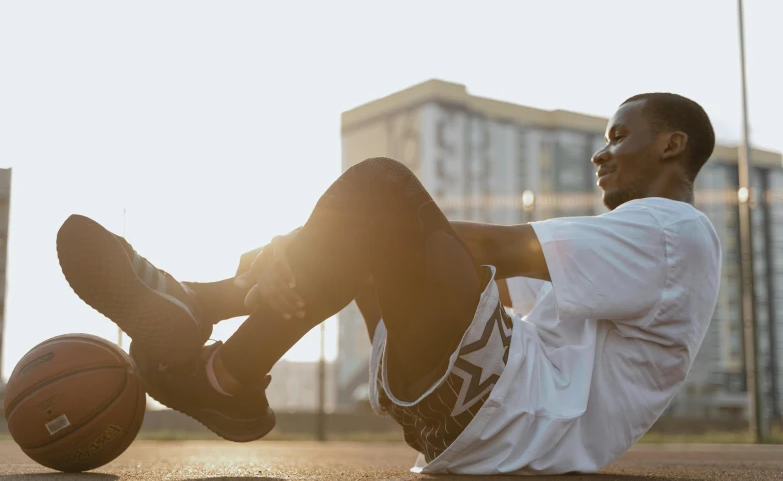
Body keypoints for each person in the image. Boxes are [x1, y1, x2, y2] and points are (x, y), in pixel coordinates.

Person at [56, 92, 721, 475]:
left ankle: (211, 317)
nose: (600, 153)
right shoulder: (647, 250)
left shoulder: (671, 231)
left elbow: (485, 248)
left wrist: (294, 246)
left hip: (503, 411)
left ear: (670, 145)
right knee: (364, 232)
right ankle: (225, 372)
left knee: (378, 189)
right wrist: (317, 250)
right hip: (472, 419)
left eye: (618, 136)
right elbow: (481, 282)